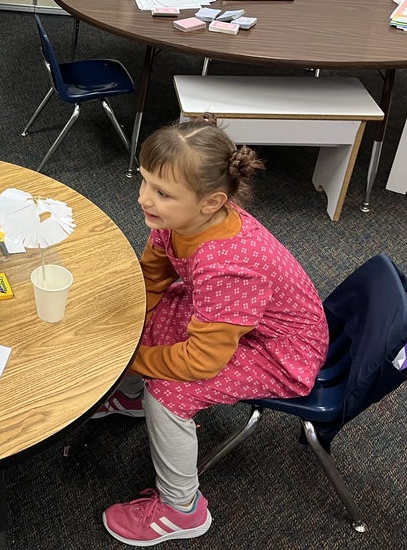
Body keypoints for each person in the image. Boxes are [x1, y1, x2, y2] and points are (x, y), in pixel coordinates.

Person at [97, 116, 328, 546]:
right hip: (240, 323)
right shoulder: (178, 220)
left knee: (168, 393)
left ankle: (181, 509)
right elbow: (152, 279)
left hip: (280, 352)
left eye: (162, 192)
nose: (144, 197)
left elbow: (202, 361)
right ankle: (129, 399)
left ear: (211, 202)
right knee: (143, 319)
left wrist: (129, 359)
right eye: (145, 181)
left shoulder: (227, 265)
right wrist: (127, 329)